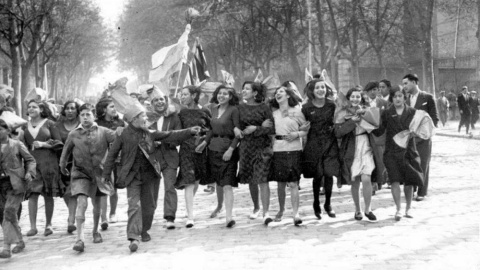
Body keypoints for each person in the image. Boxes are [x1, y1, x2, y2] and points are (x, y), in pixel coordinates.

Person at [102, 103, 199, 252]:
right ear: (135, 119)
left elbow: (171, 134)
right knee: (134, 205)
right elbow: (112, 155)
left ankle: (144, 230)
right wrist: (106, 174)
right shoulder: (122, 134)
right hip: (132, 177)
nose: (146, 118)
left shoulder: (149, 133)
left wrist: (189, 131)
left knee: (150, 207)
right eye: (143, 116)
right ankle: (133, 237)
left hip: (150, 176)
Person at [59, 103, 116, 252]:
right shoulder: (73, 134)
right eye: (82, 115)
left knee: (96, 205)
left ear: (94, 116)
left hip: (99, 173)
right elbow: (65, 152)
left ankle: (95, 231)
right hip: (80, 173)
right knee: (82, 203)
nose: (85, 118)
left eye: (88, 115)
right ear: (79, 117)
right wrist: (62, 165)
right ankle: (80, 238)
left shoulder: (104, 132)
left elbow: (119, 139)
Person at [335, 88, 383, 221]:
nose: (355, 99)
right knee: (355, 181)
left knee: (366, 178)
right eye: (352, 97)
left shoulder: (368, 110)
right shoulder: (342, 112)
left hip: (366, 146)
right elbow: (338, 132)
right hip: (351, 147)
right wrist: (352, 122)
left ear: (361, 98)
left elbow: (376, 127)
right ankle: (357, 210)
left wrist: (366, 118)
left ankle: (368, 208)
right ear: (348, 98)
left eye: (358, 97)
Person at [373, 86, 420, 220]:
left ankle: (408, 208)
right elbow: (379, 131)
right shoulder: (387, 113)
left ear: (405, 97)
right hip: (391, 151)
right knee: (394, 180)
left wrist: (415, 134)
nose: (397, 98)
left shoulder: (413, 112)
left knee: (409, 181)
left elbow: (421, 130)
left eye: (400, 96)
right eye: (395, 96)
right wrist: (369, 124)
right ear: (391, 98)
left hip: (408, 151)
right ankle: (398, 209)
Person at [196, 86, 240, 227]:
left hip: (228, 150)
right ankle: (219, 206)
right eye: (220, 93)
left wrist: (231, 150)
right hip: (213, 149)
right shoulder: (213, 109)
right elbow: (211, 129)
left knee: (227, 184)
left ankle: (229, 217)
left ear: (230, 96)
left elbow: (238, 134)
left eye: (225, 94)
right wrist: (204, 143)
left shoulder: (234, 110)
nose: (222, 96)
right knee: (219, 182)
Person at [21, 100, 64, 237]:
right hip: (32, 164)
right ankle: (33, 227)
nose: (31, 109)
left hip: (48, 163)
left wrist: (45, 144)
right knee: (32, 194)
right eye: (29, 107)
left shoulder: (50, 124)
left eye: (35, 107)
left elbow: (59, 143)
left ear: (42, 109)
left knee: (47, 194)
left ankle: (48, 225)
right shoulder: (23, 126)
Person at [236, 81, 275, 225]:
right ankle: (256, 207)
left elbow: (271, 128)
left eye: (247, 89)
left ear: (255, 93)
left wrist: (255, 129)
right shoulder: (240, 108)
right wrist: (253, 128)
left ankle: (266, 212)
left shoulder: (264, 108)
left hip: (263, 147)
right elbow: (239, 128)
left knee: (263, 179)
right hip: (246, 147)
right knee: (252, 179)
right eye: (243, 88)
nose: (243, 91)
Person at [301, 79, 339, 220]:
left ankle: (328, 204)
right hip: (314, 144)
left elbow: (338, 120)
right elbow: (301, 125)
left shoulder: (332, 105)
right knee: (318, 174)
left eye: (323, 87)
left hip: (330, 142)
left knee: (329, 174)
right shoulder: (306, 108)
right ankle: (316, 203)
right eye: (317, 88)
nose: (321, 90)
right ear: (312, 91)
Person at [269, 86, 307, 225]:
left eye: (281, 92)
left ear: (288, 96)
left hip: (294, 149)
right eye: (276, 93)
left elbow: (306, 130)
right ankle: (281, 210)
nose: (278, 94)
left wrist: (296, 134)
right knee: (280, 183)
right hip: (278, 149)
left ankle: (296, 213)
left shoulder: (297, 112)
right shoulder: (273, 113)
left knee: (293, 182)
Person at [175, 86, 211, 228]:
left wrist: (204, 142)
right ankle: (190, 216)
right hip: (186, 150)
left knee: (196, 181)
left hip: (200, 150)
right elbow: (177, 130)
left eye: (185, 94)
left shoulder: (205, 111)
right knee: (188, 181)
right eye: (181, 95)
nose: (182, 97)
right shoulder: (182, 112)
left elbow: (210, 129)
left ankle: (189, 206)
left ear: (194, 95)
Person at [0, 120, 36, 258]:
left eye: (0, 129)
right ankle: (20, 241)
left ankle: (6, 248)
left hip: (15, 184)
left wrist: (29, 173)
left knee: (8, 211)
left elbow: (30, 160)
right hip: (0, 185)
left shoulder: (16, 144)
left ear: (8, 130)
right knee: (7, 214)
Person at [148, 93, 181, 232]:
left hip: (170, 157)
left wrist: (163, 140)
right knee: (151, 190)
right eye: (156, 100)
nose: (159, 102)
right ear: (151, 103)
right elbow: (141, 136)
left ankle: (169, 217)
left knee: (169, 187)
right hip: (152, 158)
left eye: (162, 99)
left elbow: (179, 136)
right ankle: (148, 216)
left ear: (166, 101)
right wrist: (151, 142)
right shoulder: (147, 118)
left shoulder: (173, 117)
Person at [403, 74, 438, 202]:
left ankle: (422, 191)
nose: (404, 86)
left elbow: (434, 118)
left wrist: (426, 133)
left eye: (406, 83)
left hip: (423, 138)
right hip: (409, 138)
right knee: (410, 164)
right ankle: (412, 189)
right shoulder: (405, 99)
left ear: (414, 82)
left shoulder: (427, 97)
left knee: (423, 163)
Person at [95, 98, 126, 227]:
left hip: (118, 158)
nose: (114, 109)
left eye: (114, 107)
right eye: (111, 107)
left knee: (114, 188)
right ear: (104, 110)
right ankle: (103, 217)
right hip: (102, 159)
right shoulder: (96, 123)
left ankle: (112, 213)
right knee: (103, 187)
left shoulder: (120, 122)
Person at [55, 101, 81, 234]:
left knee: (72, 191)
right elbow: (56, 142)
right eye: (67, 108)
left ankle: (71, 220)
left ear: (77, 111)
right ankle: (72, 213)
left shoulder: (82, 124)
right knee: (66, 192)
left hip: (79, 162)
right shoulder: (57, 126)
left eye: (73, 108)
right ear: (64, 111)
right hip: (62, 161)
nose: (70, 111)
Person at [364, 81, 388, 194]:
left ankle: (379, 181)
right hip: (366, 135)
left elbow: (387, 118)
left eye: (375, 90)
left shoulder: (383, 102)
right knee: (368, 159)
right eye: (371, 90)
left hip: (379, 135)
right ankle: (372, 184)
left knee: (379, 159)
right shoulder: (363, 103)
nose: (374, 92)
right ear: (367, 92)